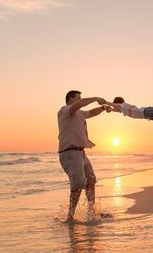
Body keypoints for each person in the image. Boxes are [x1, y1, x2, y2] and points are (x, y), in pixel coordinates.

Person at [57, 90, 111, 222]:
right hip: (69, 152)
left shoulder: (80, 114)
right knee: (78, 184)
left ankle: (92, 212)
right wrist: (95, 97)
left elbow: (91, 112)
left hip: (81, 153)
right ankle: (70, 216)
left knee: (91, 180)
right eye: (78, 98)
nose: (80, 100)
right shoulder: (65, 111)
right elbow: (80, 104)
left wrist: (103, 107)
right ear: (70, 99)